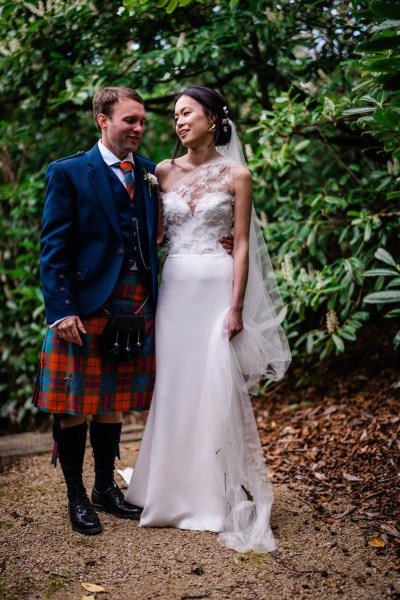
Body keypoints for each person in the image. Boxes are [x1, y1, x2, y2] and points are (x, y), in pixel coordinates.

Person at [33, 86, 232, 536]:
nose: (140, 129)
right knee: (72, 405)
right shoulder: (68, 173)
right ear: (103, 120)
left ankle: (106, 487)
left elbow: (171, 227)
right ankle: (76, 496)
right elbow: (53, 247)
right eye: (130, 121)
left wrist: (222, 238)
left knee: (112, 403)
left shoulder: (150, 173)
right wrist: (60, 310)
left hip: (136, 303)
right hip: (83, 305)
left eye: (143, 121)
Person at [124, 86, 291, 553]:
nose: (178, 122)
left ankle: (211, 491)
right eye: (175, 115)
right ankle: (165, 489)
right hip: (175, 288)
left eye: (187, 113)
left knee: (213, 384)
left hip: (217, 289)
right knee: (175, 383)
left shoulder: (238, 174)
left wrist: (236, 306)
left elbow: (240, 244)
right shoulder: (161, 171)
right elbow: (156, 234)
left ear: (213, 119)